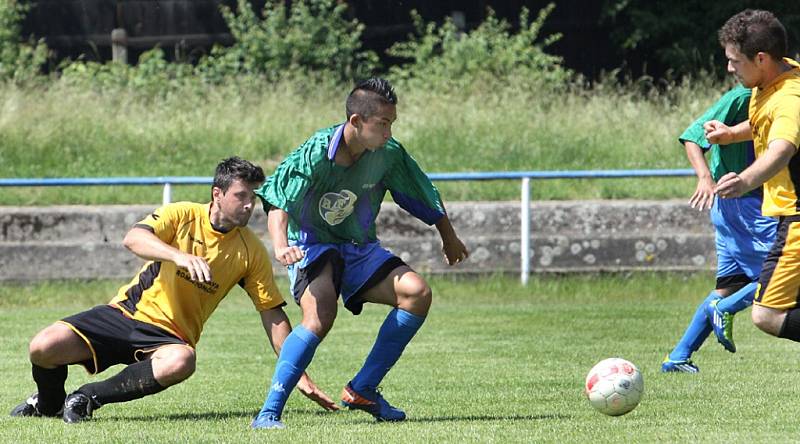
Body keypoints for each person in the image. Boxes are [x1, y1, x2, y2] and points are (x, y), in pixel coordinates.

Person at [9, 156, 338, 423]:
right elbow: (133, 239)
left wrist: (297, 372)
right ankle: (49, 403)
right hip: (124, 314)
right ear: (217, 194)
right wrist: (179, 256)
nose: (249, 205)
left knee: (183, 361)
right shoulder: (181, 215)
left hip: (169, 338)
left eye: (253, 197)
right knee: (43, 346)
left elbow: (272, 314)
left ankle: (87, 397)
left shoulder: (249, 250)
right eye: (241, 196)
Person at [250, 78, 469, 429]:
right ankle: (269, 412)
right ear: (356, 122)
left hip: (358, 247)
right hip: (310, 243)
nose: (388, 131)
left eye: (391, 123)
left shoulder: (389, 153)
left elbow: (422, 190)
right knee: (320, 316)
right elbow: (279, 201)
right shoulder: (315, 152)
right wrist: (280, 245)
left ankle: (363, 388)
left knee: (416, 293)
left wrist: (449, 236)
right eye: (383, 123)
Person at [662, 85, 777, 373]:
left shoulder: (782, 90)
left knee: (729, 286)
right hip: (747, 207)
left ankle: (678, 356)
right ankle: (723, 311)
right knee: (779, 274)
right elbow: (693, 135)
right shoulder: (741, 97)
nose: (730, 68)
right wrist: (703, 177)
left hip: (733, 209)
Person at [704, 10, 800, 346]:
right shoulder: (771, 77)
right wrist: (731, 134)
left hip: (796, 219)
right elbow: (765, 123)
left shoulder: (789, 99)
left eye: (735, 61)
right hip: (787, 216)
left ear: (761, 58)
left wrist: (744, 181)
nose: (729, 68)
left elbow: (781, 149)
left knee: (767, 314)